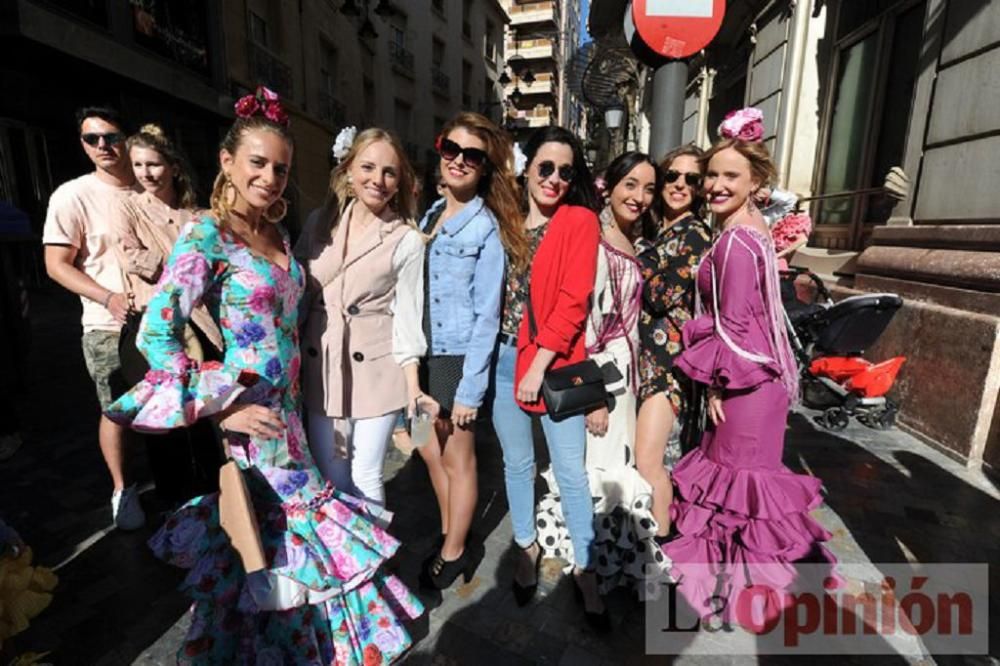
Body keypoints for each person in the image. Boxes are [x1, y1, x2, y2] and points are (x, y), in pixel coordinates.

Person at [106, 87, 423, 663]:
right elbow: (157, 330)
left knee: (284, 535)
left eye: (281, 168)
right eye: (258, 163)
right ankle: (282, 648)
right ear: (227, 162)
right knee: (270, 534)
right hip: (250, 420)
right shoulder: (208, 233)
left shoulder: (277, 235)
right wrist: (220, 405)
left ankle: (297, 645)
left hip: (291, 412)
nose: (271, 178)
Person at [663, 108, 838, 624]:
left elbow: (737, 325)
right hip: (757, 382)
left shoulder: (738, 239)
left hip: (745, 383)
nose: (715, 185)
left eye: (729, 176)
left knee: (738, 488)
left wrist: (717, 387)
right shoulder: (749, 228)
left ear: (756, 180)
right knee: (740, 488)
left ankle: (744, 592)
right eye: (711, 175)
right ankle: (739, 588)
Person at [534, 151, 672, 600]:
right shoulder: (597, 243)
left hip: (624, 376)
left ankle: (602, 564)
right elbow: (586, 324)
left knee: (614, 469)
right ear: (607, 187)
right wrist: (593, 395)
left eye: (648, 188)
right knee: (599, 474)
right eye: (630, 184)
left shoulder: (629, 240)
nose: (640, 196)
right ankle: (588, 565)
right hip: (604, 381)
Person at [490, 126, 609, 630]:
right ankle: (525, 546)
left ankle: (585, 567)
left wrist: (537, 366)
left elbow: (573, 302)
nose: (555, 178)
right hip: (500, 359)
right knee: (517, 464)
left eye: (566, 171)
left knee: (569, 472)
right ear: (527, 167)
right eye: (546, 167)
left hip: (553, 366)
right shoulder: (505, 222)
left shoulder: (579, 221)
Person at [415, 112, 526, 589]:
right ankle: (449, 528)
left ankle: (456, 551)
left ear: (484, 168)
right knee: (426, 446)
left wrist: (469, 388)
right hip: (422, 355)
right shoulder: (429, 215)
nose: (459, 160)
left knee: (458, 457)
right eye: (450, 149)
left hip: (454, 360)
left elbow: (487, 316)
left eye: (472, 156)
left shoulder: (485, 229)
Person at [296, 128, 434, 506]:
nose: (379, 179)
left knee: (365, 473)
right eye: (368, 167)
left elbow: (408, 315)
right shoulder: (317, 223)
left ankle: (376, 564)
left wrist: (413, 387)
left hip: (377, 370)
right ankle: (347, 560)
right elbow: (297, 292)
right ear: (348, 171)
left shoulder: (405, 239)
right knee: (332, 473)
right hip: (321, 365)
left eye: (390, 172)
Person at [110, 123, 225, 505]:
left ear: (173, 166)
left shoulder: (196, 213)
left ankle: (219, 495)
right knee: (165, 420)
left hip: (201, 323)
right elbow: (131, 257)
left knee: (207, 414)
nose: (145, 172)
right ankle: (177, 503)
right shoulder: (128, 208)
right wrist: (186, 265)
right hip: (154, 324)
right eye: (138, 164)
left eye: (154, 164)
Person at [42, 105, 145, 530]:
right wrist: (107, 297)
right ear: (83, 144)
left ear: (127, 138)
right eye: (92, 139)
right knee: (117, 410)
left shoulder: (149, 183)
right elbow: (56, 264)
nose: (103, 145)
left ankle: (179, 481)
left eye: (111, 136)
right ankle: (123, 490)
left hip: (165, 323)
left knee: (173, 407)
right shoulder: (73, 195)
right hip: (109, 326)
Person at [634, 144, 712, 541]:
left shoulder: (695, 234)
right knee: (646, 459)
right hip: (640, 360)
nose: (680, 184)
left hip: (668, 366)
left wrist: (631, 260)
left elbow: (660, 296)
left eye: (691, 179)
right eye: (672, 176)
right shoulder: (654, 229)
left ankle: (662, 548)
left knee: (649, 461)